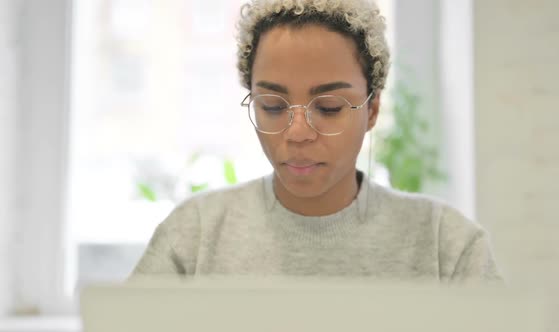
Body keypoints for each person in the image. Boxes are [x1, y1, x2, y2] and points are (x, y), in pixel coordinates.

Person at [131, 0, 503, 282]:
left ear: (372, 110)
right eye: (273, 106)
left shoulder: (446, 245)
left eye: (327, 107)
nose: (297, 133)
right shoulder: (194, 235)